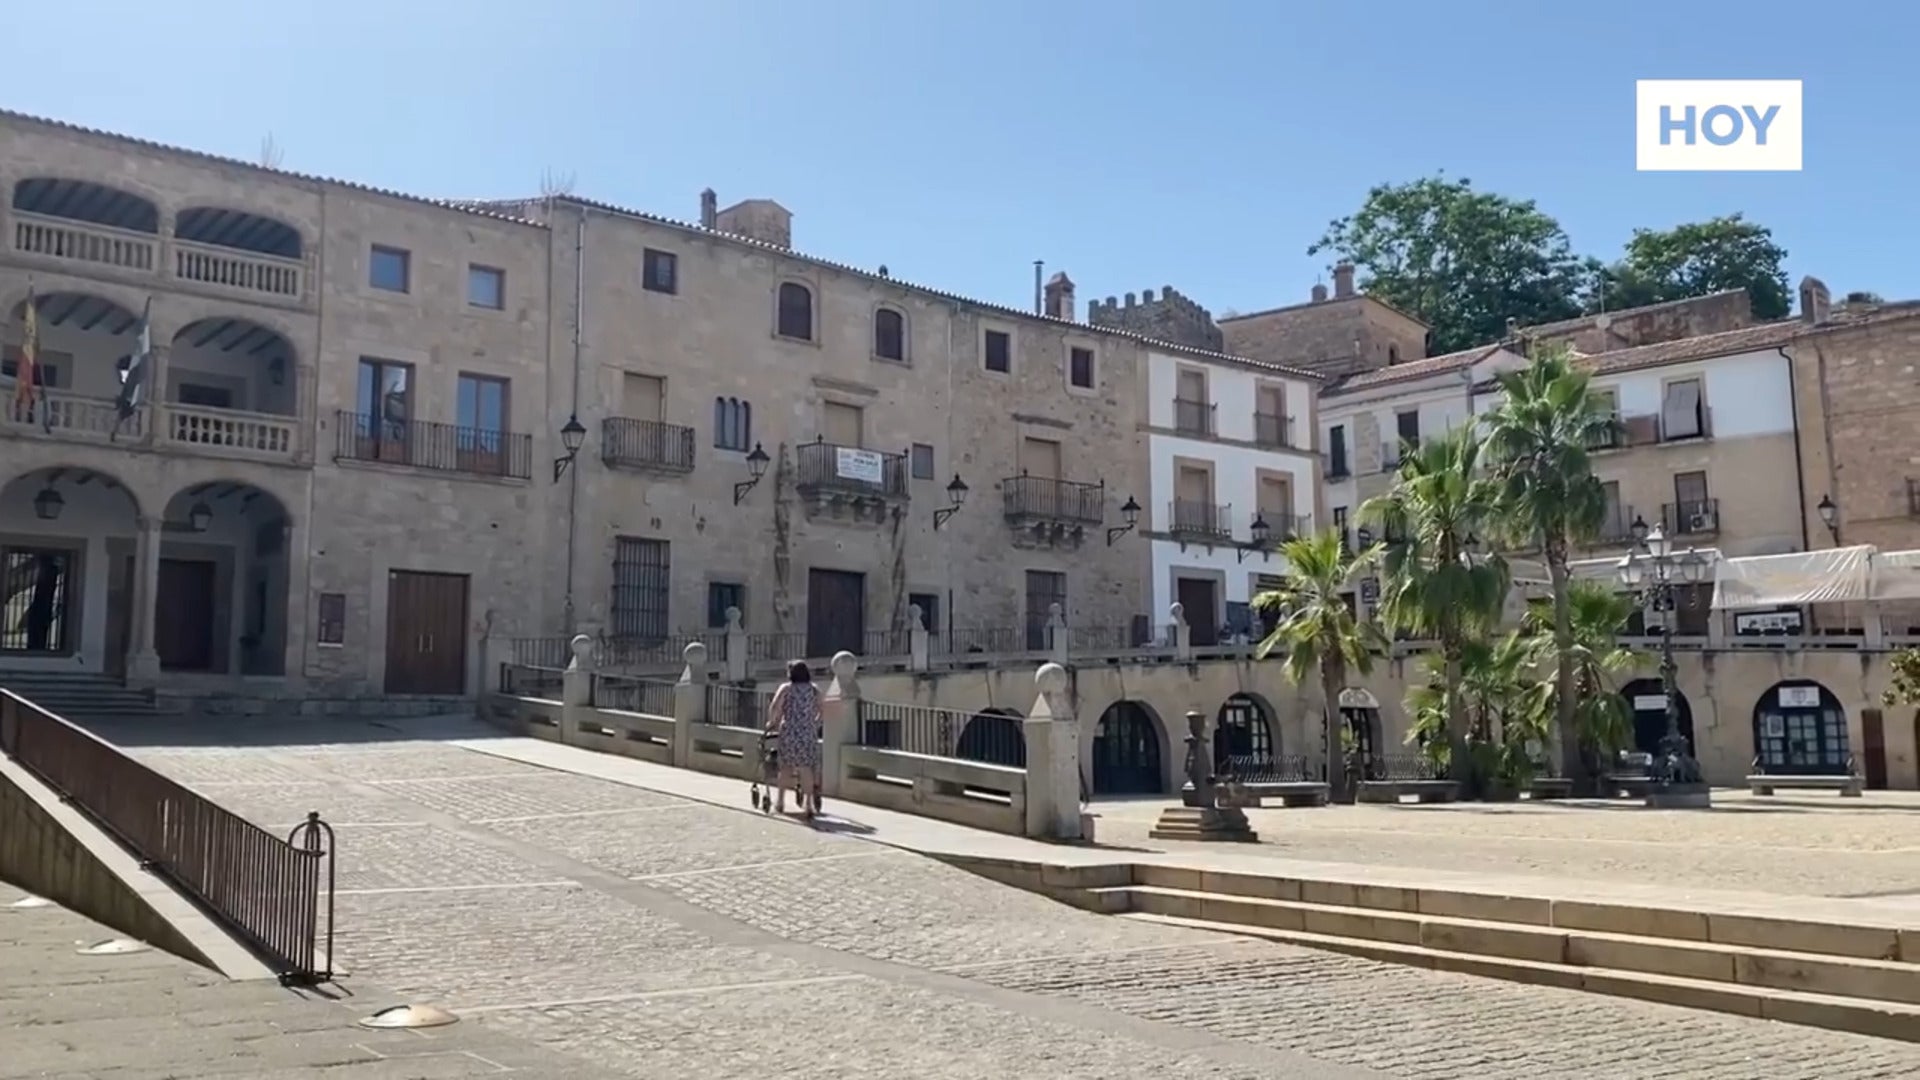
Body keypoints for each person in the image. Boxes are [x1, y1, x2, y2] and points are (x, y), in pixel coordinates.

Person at [764, 660, 822, 818]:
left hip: (789, 730)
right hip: (807, 732)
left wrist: (772, 722)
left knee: (786, 767)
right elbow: (821, 709)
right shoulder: (814, 690)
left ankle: (781, 801)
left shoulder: (786, 688)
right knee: (806, 768)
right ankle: (808, 804)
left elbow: (775, 706)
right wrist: (815, 722)